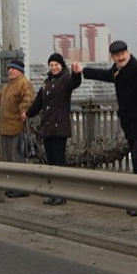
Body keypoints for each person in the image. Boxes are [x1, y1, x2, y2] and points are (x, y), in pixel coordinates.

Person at [83, 40, 137, 216]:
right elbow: (105, 75)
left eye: (123, 54)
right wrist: (83, 71)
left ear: (128, 52)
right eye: (117, 55)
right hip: (130, 124)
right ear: (113, 57)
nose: (121, 57)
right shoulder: (117, 70)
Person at [26, 53, 83, 205]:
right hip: (48, 127)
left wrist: (77, 73)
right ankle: (52, 193)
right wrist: (27, 114)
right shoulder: (47, 82)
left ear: (62, 65)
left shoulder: (65, 79)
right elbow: (38, 102)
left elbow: (75, 83)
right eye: (51, 65)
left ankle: (61, 194)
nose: (54, 67)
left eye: (56, 64)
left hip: (59, 126)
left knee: (59, 162)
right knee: (50, 162)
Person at [0, 60, 35, 197]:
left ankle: (21, 188)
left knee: (17, 160)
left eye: (13, 69)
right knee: (9, 161)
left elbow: (28, 98)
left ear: (20, 70)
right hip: (5, 127)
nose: (10, 71)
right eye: (9, 68)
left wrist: (23, 110)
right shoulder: (7, 86)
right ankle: (13, 186)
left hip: (17, 126)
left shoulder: (23, 83)